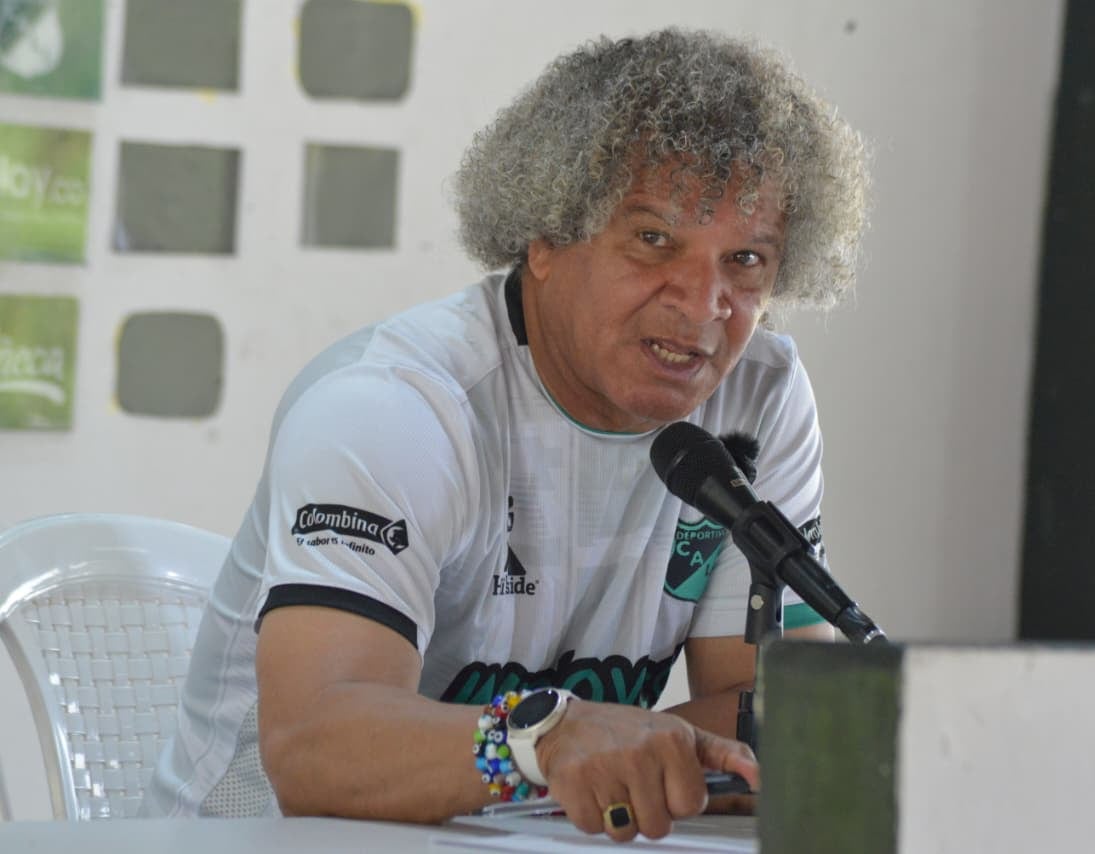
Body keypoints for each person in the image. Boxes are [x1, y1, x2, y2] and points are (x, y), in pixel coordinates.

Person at [143, 27, 868, 842]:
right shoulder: (394, 407)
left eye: (745, 259)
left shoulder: (758, 399)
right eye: (654, 239)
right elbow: (315, 748)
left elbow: (756, 705)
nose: (704, 307)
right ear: (547, 238)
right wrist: (538, 741)